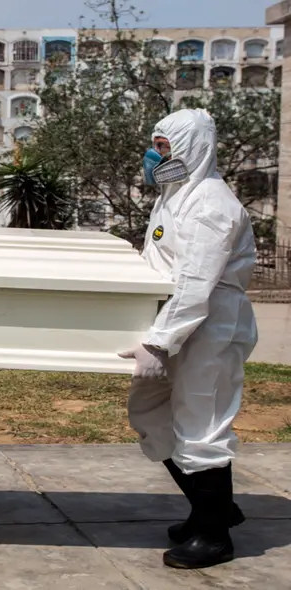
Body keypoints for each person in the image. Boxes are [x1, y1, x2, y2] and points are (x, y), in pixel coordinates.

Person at [122, 108, 257, 570]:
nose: (154, 156)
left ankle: (214, 536)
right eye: (155, 146)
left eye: (163, 148)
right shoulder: (175, 196)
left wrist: (159, 342)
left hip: (210, 329)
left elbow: (195, 284)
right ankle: (211, 509)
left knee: (202, 425)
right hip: (177, 326)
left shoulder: (211, 205)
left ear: (191, 149)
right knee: (150, 411)